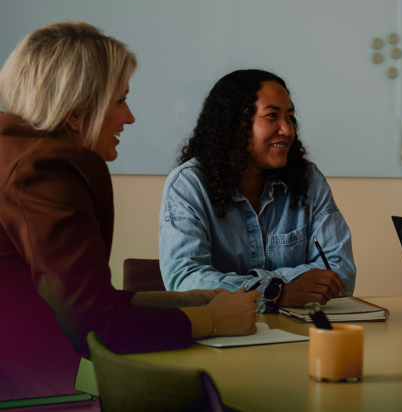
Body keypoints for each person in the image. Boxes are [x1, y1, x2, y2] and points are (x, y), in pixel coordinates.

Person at [0, 22, 260, 402]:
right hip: (43, 393)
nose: (130, 117)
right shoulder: (47, 168)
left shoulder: (14, 151)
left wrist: (191, 300)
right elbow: (95, 324)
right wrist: (215, 320)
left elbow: (78, 299)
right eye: (120, 101)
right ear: (76, 112)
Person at [159, 69, 356, 312]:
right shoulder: (188, 184)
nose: (287, 130)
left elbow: (341, 272)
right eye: (272, 116)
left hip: (299, 339)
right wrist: (276, 291)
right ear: (234, 124)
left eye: (290, 117)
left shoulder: (308, 180)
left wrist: (265, 286)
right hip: (222, 339)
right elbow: (185, 281)